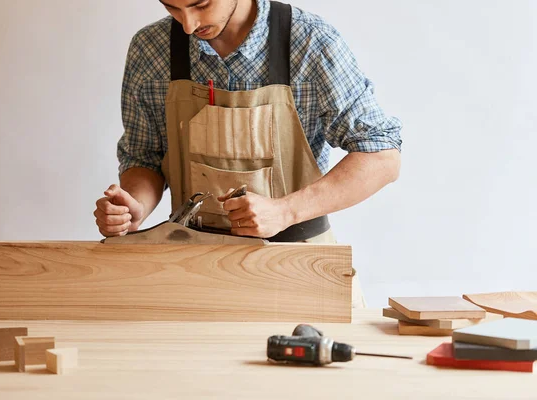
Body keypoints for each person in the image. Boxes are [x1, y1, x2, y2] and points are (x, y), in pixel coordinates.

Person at [94, 0, 403, 308]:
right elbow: (145, 157)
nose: (187, 25)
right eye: (172, 8)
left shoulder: (310, 41)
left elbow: (381, 157)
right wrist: (135, 207)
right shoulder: (151, 48)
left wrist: (284, 211)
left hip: (301, 267)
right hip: (192, 269)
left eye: (200, 4)